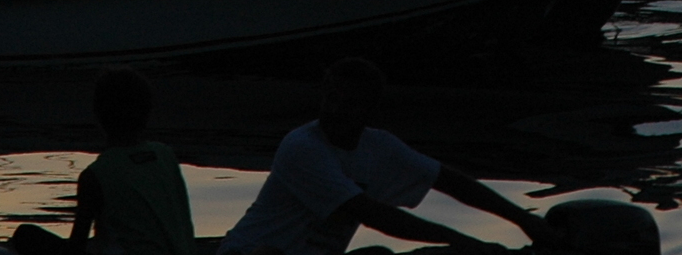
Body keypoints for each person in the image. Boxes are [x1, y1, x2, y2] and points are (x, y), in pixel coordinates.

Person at [219, 58, 545, 255]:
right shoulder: (302, 147)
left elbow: (448, 181)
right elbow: (371, 213)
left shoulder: (380, 147)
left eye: (348, 102)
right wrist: (457, 239)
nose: (334, 109)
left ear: (369, 109)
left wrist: (525, 219)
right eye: (330, 98)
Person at [11, 68, 195, 255]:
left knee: (25, 235)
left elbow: (76, 248)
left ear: (98, 115)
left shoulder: (96, 176)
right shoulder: (165, 155)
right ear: (147, 113)